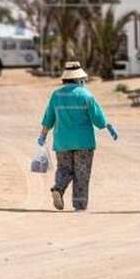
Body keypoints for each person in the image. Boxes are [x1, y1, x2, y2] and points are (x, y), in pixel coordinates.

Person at [38, 61, 118, 211]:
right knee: (82, 173)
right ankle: (79, 205)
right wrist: (108, 126)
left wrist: (42, 135)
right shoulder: (86, 95)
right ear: (79, 78)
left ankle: (58, 189)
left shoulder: (56, 95)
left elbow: (48, 118)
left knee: (64, 169)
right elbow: (98, 119)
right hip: (83, 142)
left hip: (62, 142)